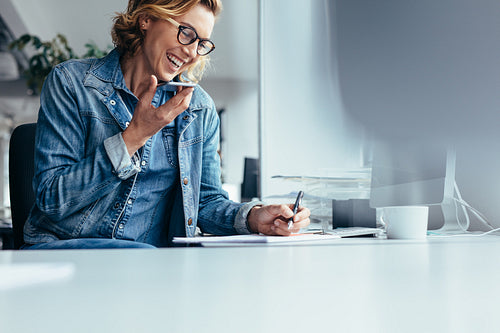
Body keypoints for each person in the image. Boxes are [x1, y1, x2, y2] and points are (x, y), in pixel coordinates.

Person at [22, 0, 310, 249]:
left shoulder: (198, 109)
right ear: (146, 19)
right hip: (64, 254)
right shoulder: (73, 83)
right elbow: (52, 200)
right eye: (186, 33)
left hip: (146, 269)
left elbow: (206, 204)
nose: (193, 52)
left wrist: (254, 217)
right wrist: (134, 136)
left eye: (202, 43)